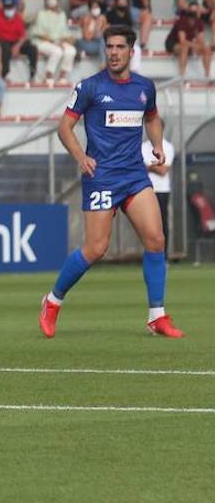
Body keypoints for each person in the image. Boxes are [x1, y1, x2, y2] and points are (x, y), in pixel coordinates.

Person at [40, 25, 183, 338]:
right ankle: (52, 301)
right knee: (96, 248)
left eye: (120, 47)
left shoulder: (145, 87)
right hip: (101, 176)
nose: (114, 53)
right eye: (110, 47)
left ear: (132, 51)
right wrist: (80, 156)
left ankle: (157, 315)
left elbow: (152, 117)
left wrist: (157, 143)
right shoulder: (90, 87)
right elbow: (65, 128)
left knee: (156, 240)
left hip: (134, 174)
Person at [31, 0, 76, 86]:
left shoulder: (62, 14)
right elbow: (38, 33)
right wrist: (56, 42)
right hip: (42, 41)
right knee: (57, 51)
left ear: (58, 0)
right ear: (46, 0)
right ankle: (48, 76)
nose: (51, 0)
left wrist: (68, 39)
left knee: (71, 50)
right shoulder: (41, 13)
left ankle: (62, 77)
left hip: (58, 41)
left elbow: (64, 32)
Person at [143, 124, 176, 252]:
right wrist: (153, 167)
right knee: (147, 225)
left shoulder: (167, 147)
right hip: (146, 189)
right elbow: (139, 167)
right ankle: (149, 254)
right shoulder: (142, 147)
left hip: (162, 190)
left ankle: (164, 256)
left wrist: (148, 167)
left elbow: (163, 170)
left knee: (162, 223)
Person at [0, 0, 36, 80]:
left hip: (15, 42)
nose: (8, 10)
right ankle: (5, 73)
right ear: (3, 7)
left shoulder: (17, 17)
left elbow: (23, 36)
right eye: (6, 8)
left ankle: (32, 73)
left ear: (14, 7)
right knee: (5, 48)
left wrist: (17, 46)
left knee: (32, 49)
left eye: (10, 8)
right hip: (2, 41)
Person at [165, 0, 212, 76]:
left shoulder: (199, 22)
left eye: (196, 9)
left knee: (207, 48)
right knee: (184, 48)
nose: (194, 12)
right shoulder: (182, 21)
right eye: (193, 10)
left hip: (189, 43)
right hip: (173, 43)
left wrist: (202, 46)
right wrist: (195, 45)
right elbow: (182, 41)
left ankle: (207, 75)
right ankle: (182, 75)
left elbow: (200, 39)